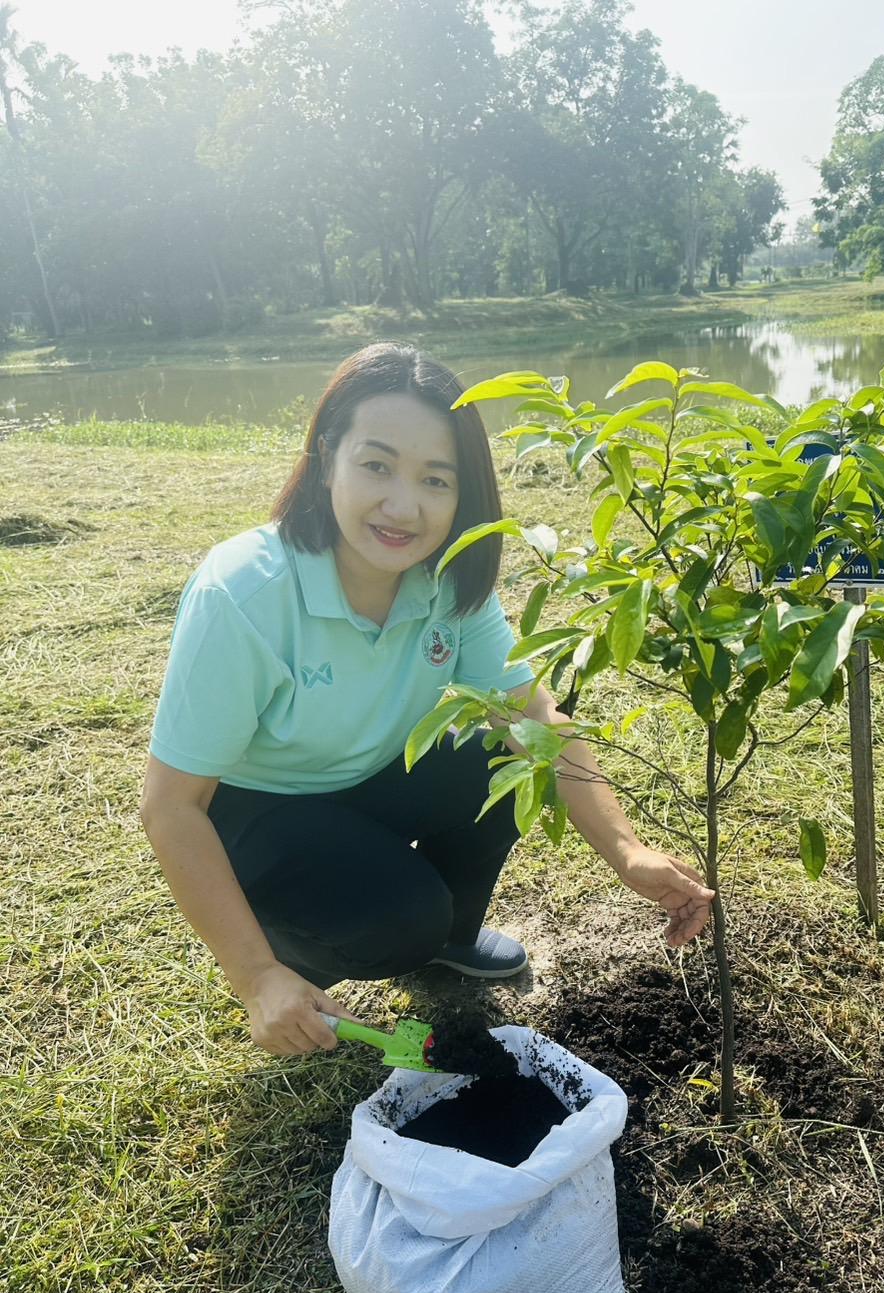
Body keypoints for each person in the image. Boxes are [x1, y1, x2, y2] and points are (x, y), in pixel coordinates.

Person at [141, 343, 714, 1058]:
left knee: (512, 754)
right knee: (398, 918)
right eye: (376, 465)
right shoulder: (245, 593)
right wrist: (255, 973)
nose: (403, 506)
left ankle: (449, 942)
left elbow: (533, 715)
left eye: (435, 479)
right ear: (327, 458)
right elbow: (170, 807)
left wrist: (628, 853)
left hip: (369, 770)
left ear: (463, 492)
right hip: (261, 809)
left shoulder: (448, 577)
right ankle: (299, 943)